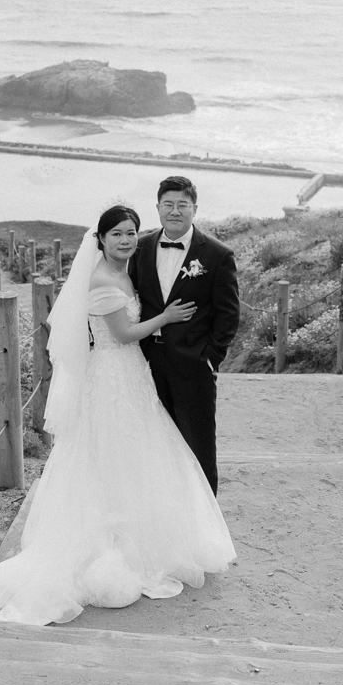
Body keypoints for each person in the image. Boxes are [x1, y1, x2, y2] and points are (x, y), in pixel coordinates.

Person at [0, 205, 235, 625]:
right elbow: (122, 334)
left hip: (131, 377)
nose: (126, 240)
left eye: (131, 233)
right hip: (111, 377)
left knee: (133, 457)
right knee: (109, 454)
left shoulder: (124, 271)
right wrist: (166, 317)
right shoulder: (103, 279)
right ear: (100, 239)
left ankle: (129, 538)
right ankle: (106, 547)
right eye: (117, 234)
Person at [129, 176, 240, 494]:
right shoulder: (142, 247)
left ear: (194, 209)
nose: (174, 211)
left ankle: (206, 522)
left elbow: (228, 314)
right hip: (146, 361)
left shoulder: (217, 255)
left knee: (198, 444)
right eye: (168, 205)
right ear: (158, 208)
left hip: (194, 364)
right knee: (154, 439)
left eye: (182, 205)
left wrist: (210, 358)